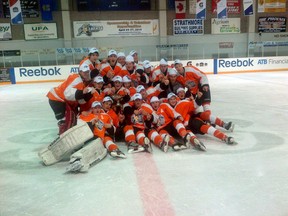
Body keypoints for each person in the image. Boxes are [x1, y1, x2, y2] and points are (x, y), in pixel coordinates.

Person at [167, 93, 236, 146]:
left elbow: (194, 105)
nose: (173, 100)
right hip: (181, 128)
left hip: (191, 121)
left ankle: (224, 136)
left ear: (176, 98)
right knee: (187, 126)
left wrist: (198, 99)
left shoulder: (182, 103)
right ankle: (193, 139)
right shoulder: (166, 107)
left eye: (174, 99)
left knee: (202, 123)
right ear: (168, 100)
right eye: (171, 99)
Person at [47, 63, 96, 134]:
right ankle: (63, 135)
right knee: (63, 119)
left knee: (68, 118)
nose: (86, 73)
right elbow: (67, 94)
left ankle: (65, 133)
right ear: (80, 72)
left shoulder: (80, 80)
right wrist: (82, 92)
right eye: (84, 72)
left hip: (57, 98)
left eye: (87, 72)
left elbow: (80, 101)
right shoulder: (77, 79)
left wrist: (88, 95)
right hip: (56, 98)